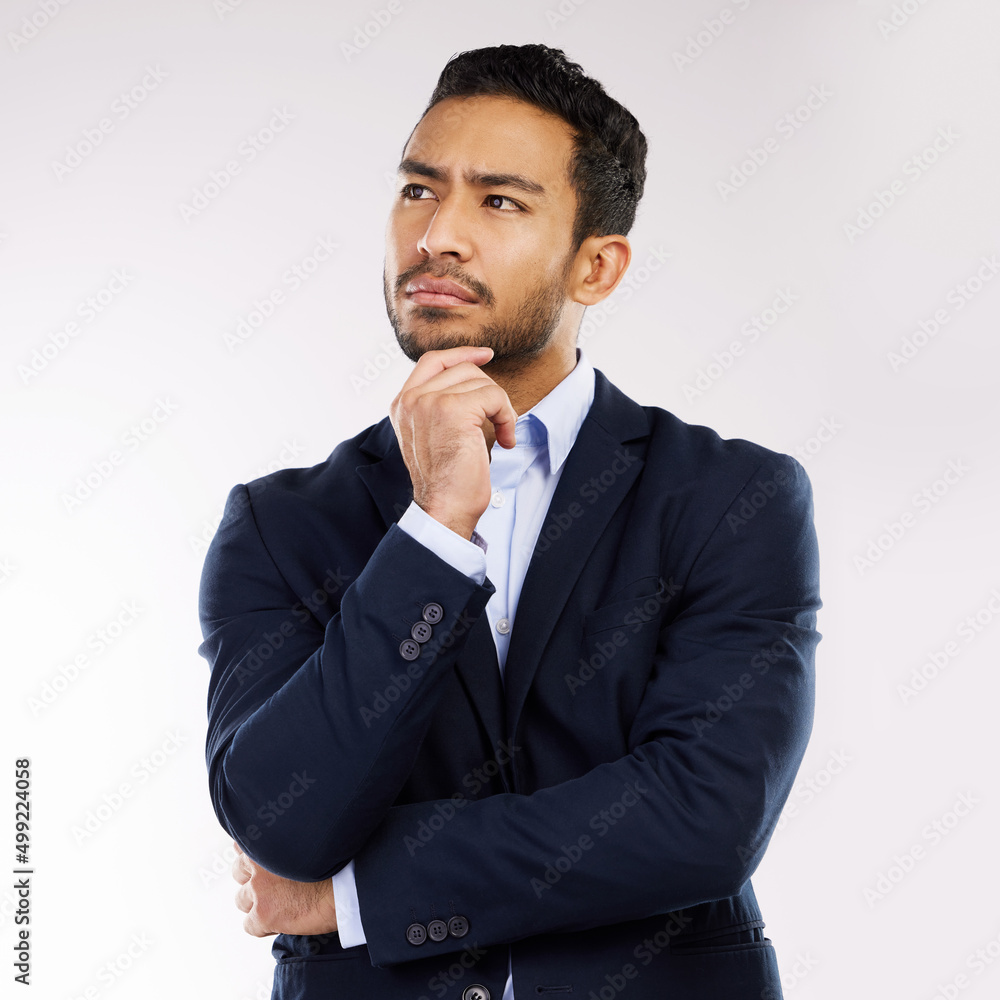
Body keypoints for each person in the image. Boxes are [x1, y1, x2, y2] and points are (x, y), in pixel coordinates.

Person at [199, 43, 821, 1000]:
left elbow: (704, 819)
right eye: (418, 191)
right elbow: (282, 825)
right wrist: (436, 531)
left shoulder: (731, 499)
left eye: (498, 201)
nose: (437, 235)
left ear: (597, 267)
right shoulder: (280, 523)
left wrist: (360, 892)